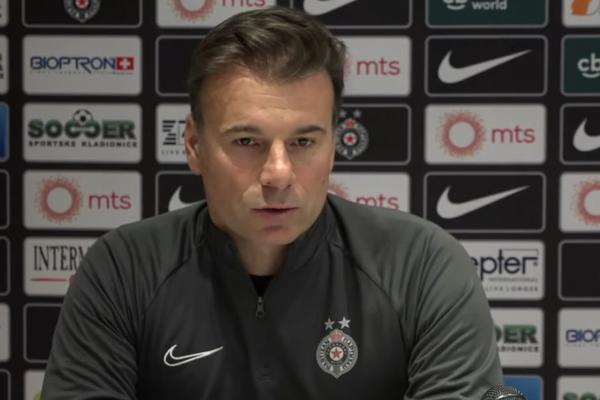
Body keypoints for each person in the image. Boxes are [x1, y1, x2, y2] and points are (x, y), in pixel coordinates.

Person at [42, 6, 502, 399]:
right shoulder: (124, 270)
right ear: (194, 145)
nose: (278, 173)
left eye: (303, 142)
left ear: (334, 145)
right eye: (247, 141)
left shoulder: (420, 266)